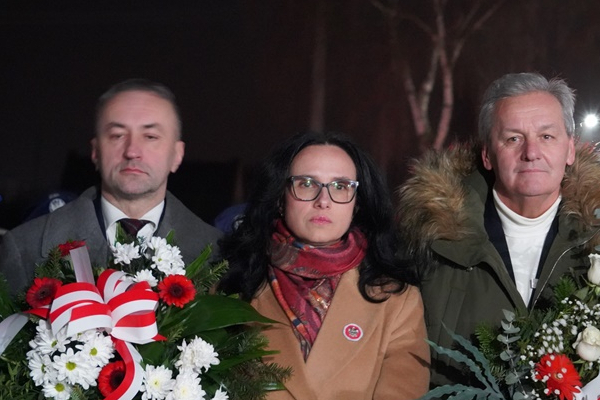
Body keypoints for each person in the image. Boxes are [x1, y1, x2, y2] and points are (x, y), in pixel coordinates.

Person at [396, 72, 600, 385]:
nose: (531, 153)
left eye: (547, 136)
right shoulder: (429, 240)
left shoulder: (595, 239)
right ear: (487, 155)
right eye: (513, 139)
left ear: (570, 149)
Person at [218, 131, 430, 400]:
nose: (323, 201)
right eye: (307, 184)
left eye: (340, 186)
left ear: (357, 203)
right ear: (280, 197)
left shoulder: (395, 299)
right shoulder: (233, 284)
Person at [0, 79, 222, 295]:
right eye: (117, 136)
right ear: (95, 151)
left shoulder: (218, 253)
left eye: (150, 136)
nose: (132, 151)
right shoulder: (24, 247)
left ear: (177, 154)